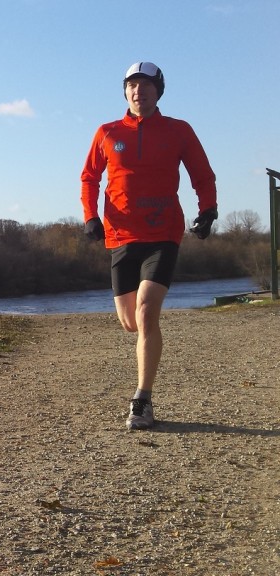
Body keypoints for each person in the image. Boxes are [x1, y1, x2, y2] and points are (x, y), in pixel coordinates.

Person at [80, 61, 218, 430]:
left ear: (159, 90)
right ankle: (145, 367)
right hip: (121, 235)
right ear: (125, 92)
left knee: (145, 312)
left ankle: (142, 399)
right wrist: (89, 216)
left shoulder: (179, 131)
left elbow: (202, 174)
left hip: (163, 232)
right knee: (130, 323)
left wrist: (208, 209)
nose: (138, 91)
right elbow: (89, 177)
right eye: (132, 85)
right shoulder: (107, 132)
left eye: (145, 85)